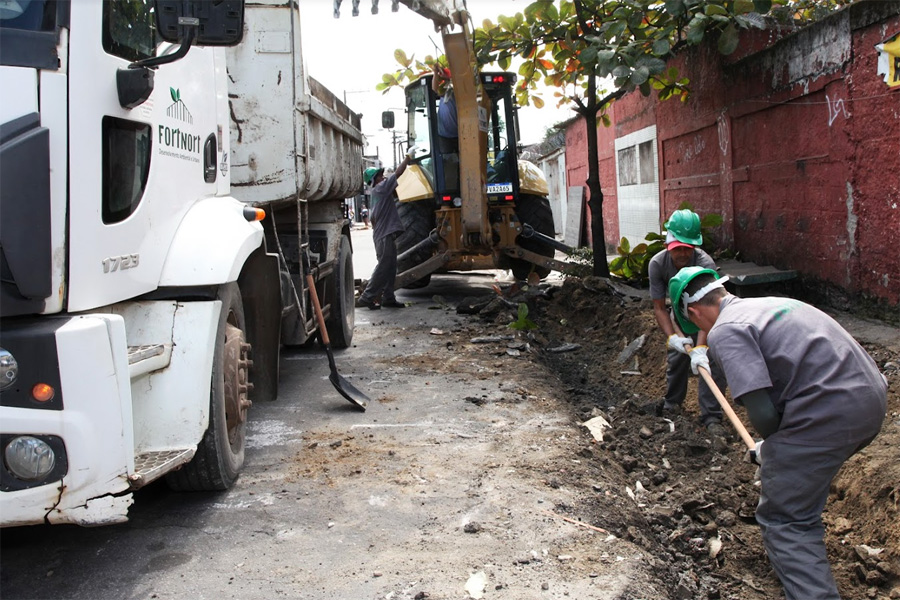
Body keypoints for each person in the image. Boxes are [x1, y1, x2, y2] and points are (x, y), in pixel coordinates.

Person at [668, 266, 887, 600]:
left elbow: (765, 417)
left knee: (786, 520)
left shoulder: (726, 330)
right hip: (869, 400)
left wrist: (770, 449)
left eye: (694, 324)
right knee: (797, 477)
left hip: (828, 412)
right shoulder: (770, 304)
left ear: (694, 312)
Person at [647, 209, 726, 433]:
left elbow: (710, 311)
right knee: (677, 358)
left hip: (706, 317)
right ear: (668, 245)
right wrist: (673, 337)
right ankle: (672, 404)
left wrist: (701, 347)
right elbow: (660, 307)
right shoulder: (658, 264)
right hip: (679, 315)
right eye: (677, 249)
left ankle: (711, 417)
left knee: (711, 362)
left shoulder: (706, 265)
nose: (682, 254)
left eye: (687, 249)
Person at [356, 153, 413, 310]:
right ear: (375, 180)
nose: (383, 178)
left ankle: (388, 297)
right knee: (384, 265)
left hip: (384, 234)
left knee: (390, 266)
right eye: (380, 176)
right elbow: (398, 173)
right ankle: (367, 296)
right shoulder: (380, 189)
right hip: (384, 235)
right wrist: (408, 157)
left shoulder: (378, 192)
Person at [431, 63, 459, 190]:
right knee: (447, 164)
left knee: (465, 163)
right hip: (444, 136)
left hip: (462, 135)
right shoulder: (445, 92)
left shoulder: (461, 92)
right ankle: (449, 189)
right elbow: (434, 88)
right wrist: (435, 73)